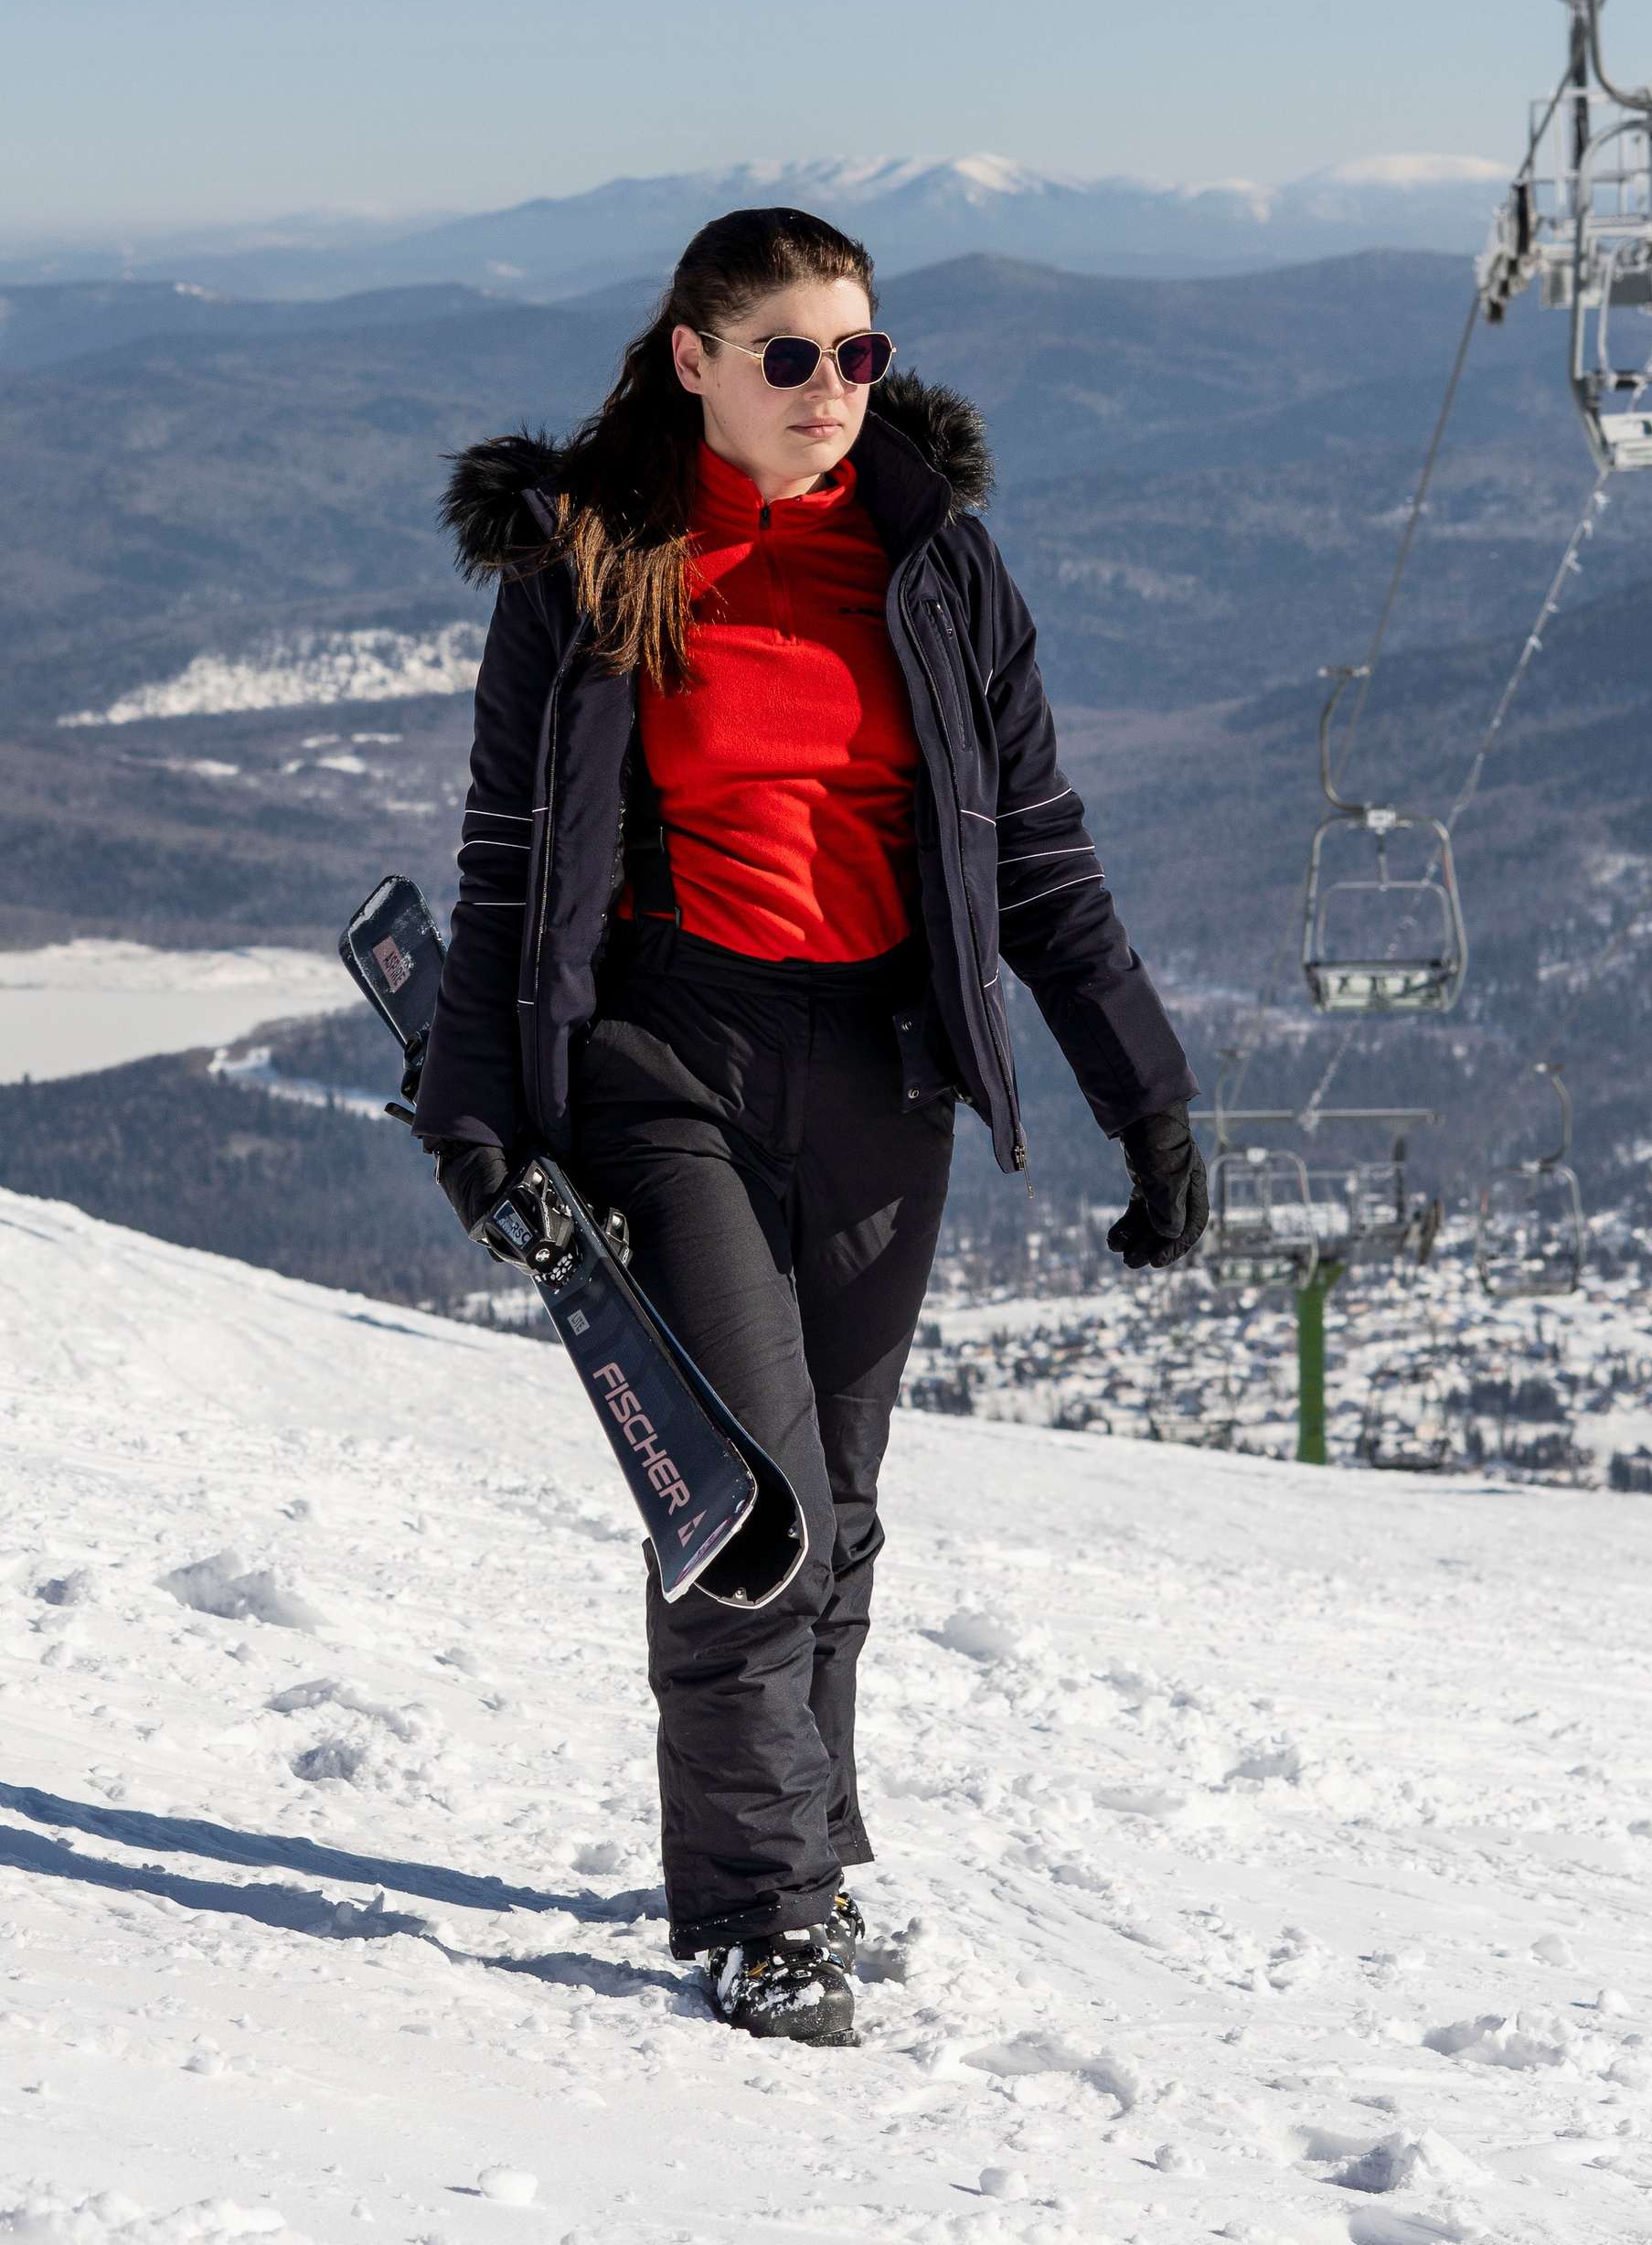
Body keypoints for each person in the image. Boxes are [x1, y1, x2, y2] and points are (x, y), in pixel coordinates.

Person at [411, 206, 1207, 2045]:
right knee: (739, 1509)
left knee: (837, 1506)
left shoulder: (936, 568)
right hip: (664, 1059)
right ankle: (761, 1912)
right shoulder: (591, 564)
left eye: (859, 354)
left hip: (881, 1071)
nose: (835, 392)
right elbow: (510, 861)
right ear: (691, 359)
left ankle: (811, 1847)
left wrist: (1143, 1095)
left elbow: (1037, 854)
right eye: (790, 356)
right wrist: (472, 1105)